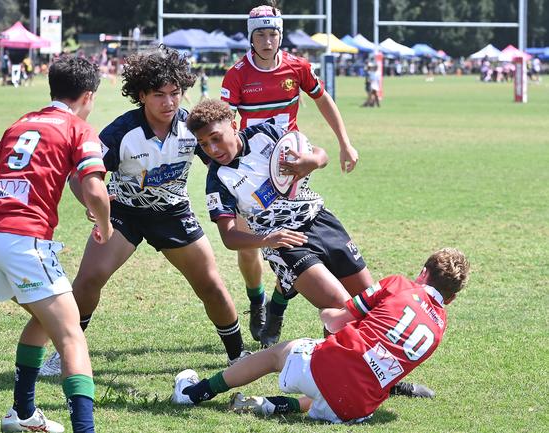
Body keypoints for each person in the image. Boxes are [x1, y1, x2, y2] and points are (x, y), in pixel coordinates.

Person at [186, 99, 432, 398]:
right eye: (203, 143)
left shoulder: (268, 133)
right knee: (342, 309)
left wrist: (312, 162)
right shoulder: (218, 179)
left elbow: (320, 154)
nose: (212, 149)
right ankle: (337, 383)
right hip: (285, 244)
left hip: (322, 222)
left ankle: (382, 381)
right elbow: (229, 237)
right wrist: (268, 240)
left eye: (215, 138)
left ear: (234, 125)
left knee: (371, 306)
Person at [39, 46, 249, 377]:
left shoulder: (191, 127)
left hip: (173, 212)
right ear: (142, 95)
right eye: (159, 95)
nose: (169, 102)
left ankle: (238, 355)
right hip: (124, 214)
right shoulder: (121, 131)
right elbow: (80, 178)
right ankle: (64, 354)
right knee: (89, 278)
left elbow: (222, 161)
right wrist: (94, 207)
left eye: (175, 93)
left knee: (210, 284)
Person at [0, 56, 112, 433]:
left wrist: (2, 227)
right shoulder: (78, 128)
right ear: (88, 95)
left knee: (43, 317)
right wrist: (104, 223)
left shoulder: (20, 124)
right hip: (23, 242)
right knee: (71, 337)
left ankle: (22, 415)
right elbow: (96, 191)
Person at [172, 248, 470, 424]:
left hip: (328, 373)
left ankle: (193, 394)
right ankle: (270, 406)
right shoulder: (440, 328)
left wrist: (327, 313)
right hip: (355, 411)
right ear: (452, 298)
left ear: (423, 272)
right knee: (344, 382)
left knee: (278, 354)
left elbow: (338, 320)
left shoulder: (401, 284)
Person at [220, 4, 360, 346]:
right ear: (251, 37)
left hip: (290, 167)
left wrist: (345, 143)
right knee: (249, 248)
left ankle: (278, 305)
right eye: (261, 35)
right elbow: (224, 122)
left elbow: (323, 100)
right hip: (251, 173)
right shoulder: (236, 75)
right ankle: (259, 301)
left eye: (273, 34)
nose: (268, 41)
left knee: (294, 240)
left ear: (280, 35)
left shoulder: (297, 67)